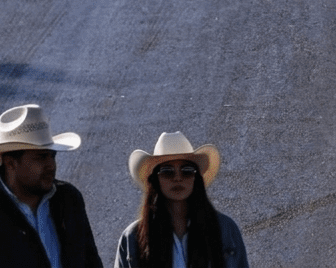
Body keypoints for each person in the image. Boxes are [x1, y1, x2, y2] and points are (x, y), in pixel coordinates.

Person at [115, 131, 249, 268]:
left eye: (187, 171)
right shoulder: (132, 238)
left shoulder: (226, 229)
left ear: (196, 178)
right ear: (155, 179)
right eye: (167, 171)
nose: (177, 178)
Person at [0, 103, 103, 268]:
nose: (51, 165)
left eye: (52, 156)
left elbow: (91, 261)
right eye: (41, 157)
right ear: (11, 163)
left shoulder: (69, 199)